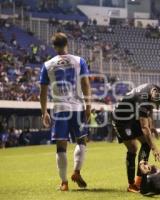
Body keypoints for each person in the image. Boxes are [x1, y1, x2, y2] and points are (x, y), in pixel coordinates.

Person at [39, 32, 91, 191]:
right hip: (76, 108)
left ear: (54, 46)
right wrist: (88, 105)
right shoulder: (79, 61)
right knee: (81, 140)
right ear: (67, 43)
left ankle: (64, 183)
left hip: (59, 109)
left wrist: (44, 112)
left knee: (61, 146)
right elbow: (85, 84)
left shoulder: (48, 65)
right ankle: (76, 171)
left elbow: (43, 91)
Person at [112, 83, 160, 192]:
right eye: (158, 105)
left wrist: (152, 126)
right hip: (120, 119)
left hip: (132, 116)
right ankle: (131, 185)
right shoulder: (143, 101)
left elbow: (151, 109)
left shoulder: (155, 89)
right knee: (133, 148)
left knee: (146, 143)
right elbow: (144, 128)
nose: (157, 107)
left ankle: (139, 181)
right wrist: (154, 148)